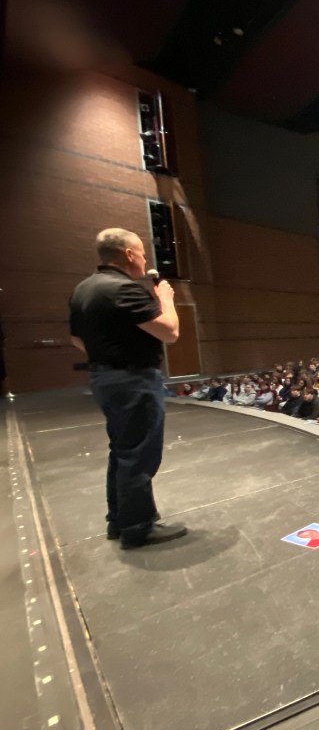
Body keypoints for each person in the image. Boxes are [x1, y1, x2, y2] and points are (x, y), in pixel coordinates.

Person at [68, 228, 186, 548]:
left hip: (104, 379)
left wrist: (108, 355)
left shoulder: (83, 289)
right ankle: (138, 528)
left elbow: (77, 339)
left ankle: (118, 521)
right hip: (134, 381)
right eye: (143, 254)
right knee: (139, 454)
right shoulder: (124, 289)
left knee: (122, 450)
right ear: (129, 254)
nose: (145, 260)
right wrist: (165, 299)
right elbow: (170, 331)